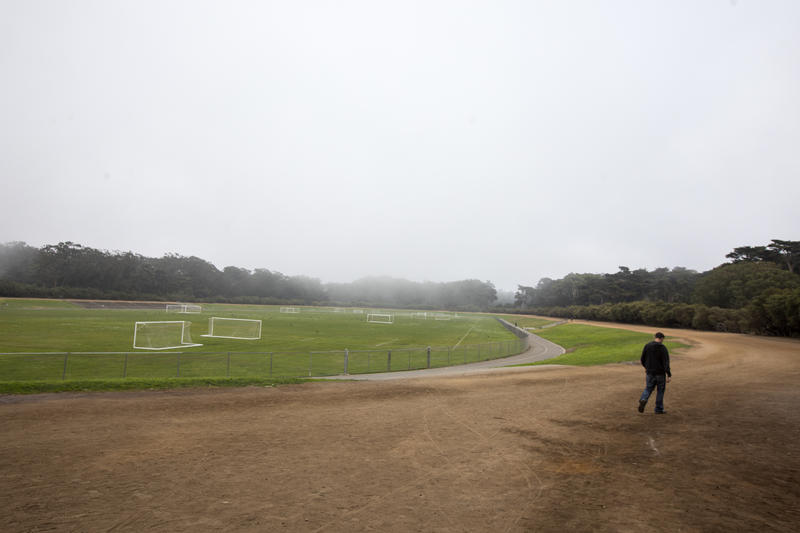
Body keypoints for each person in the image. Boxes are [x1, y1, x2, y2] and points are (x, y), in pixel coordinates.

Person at [638, 332, 671, 414]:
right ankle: (658, 409)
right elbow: (666, 363)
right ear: (662, 338)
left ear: (654, 337)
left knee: (648, 388)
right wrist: (669, 374)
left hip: (650, 372)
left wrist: (647, 367)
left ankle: (643, 399)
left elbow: (642, 359)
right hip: (660, 373)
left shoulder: (647, 346)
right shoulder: (663, 348)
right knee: (660, 391)